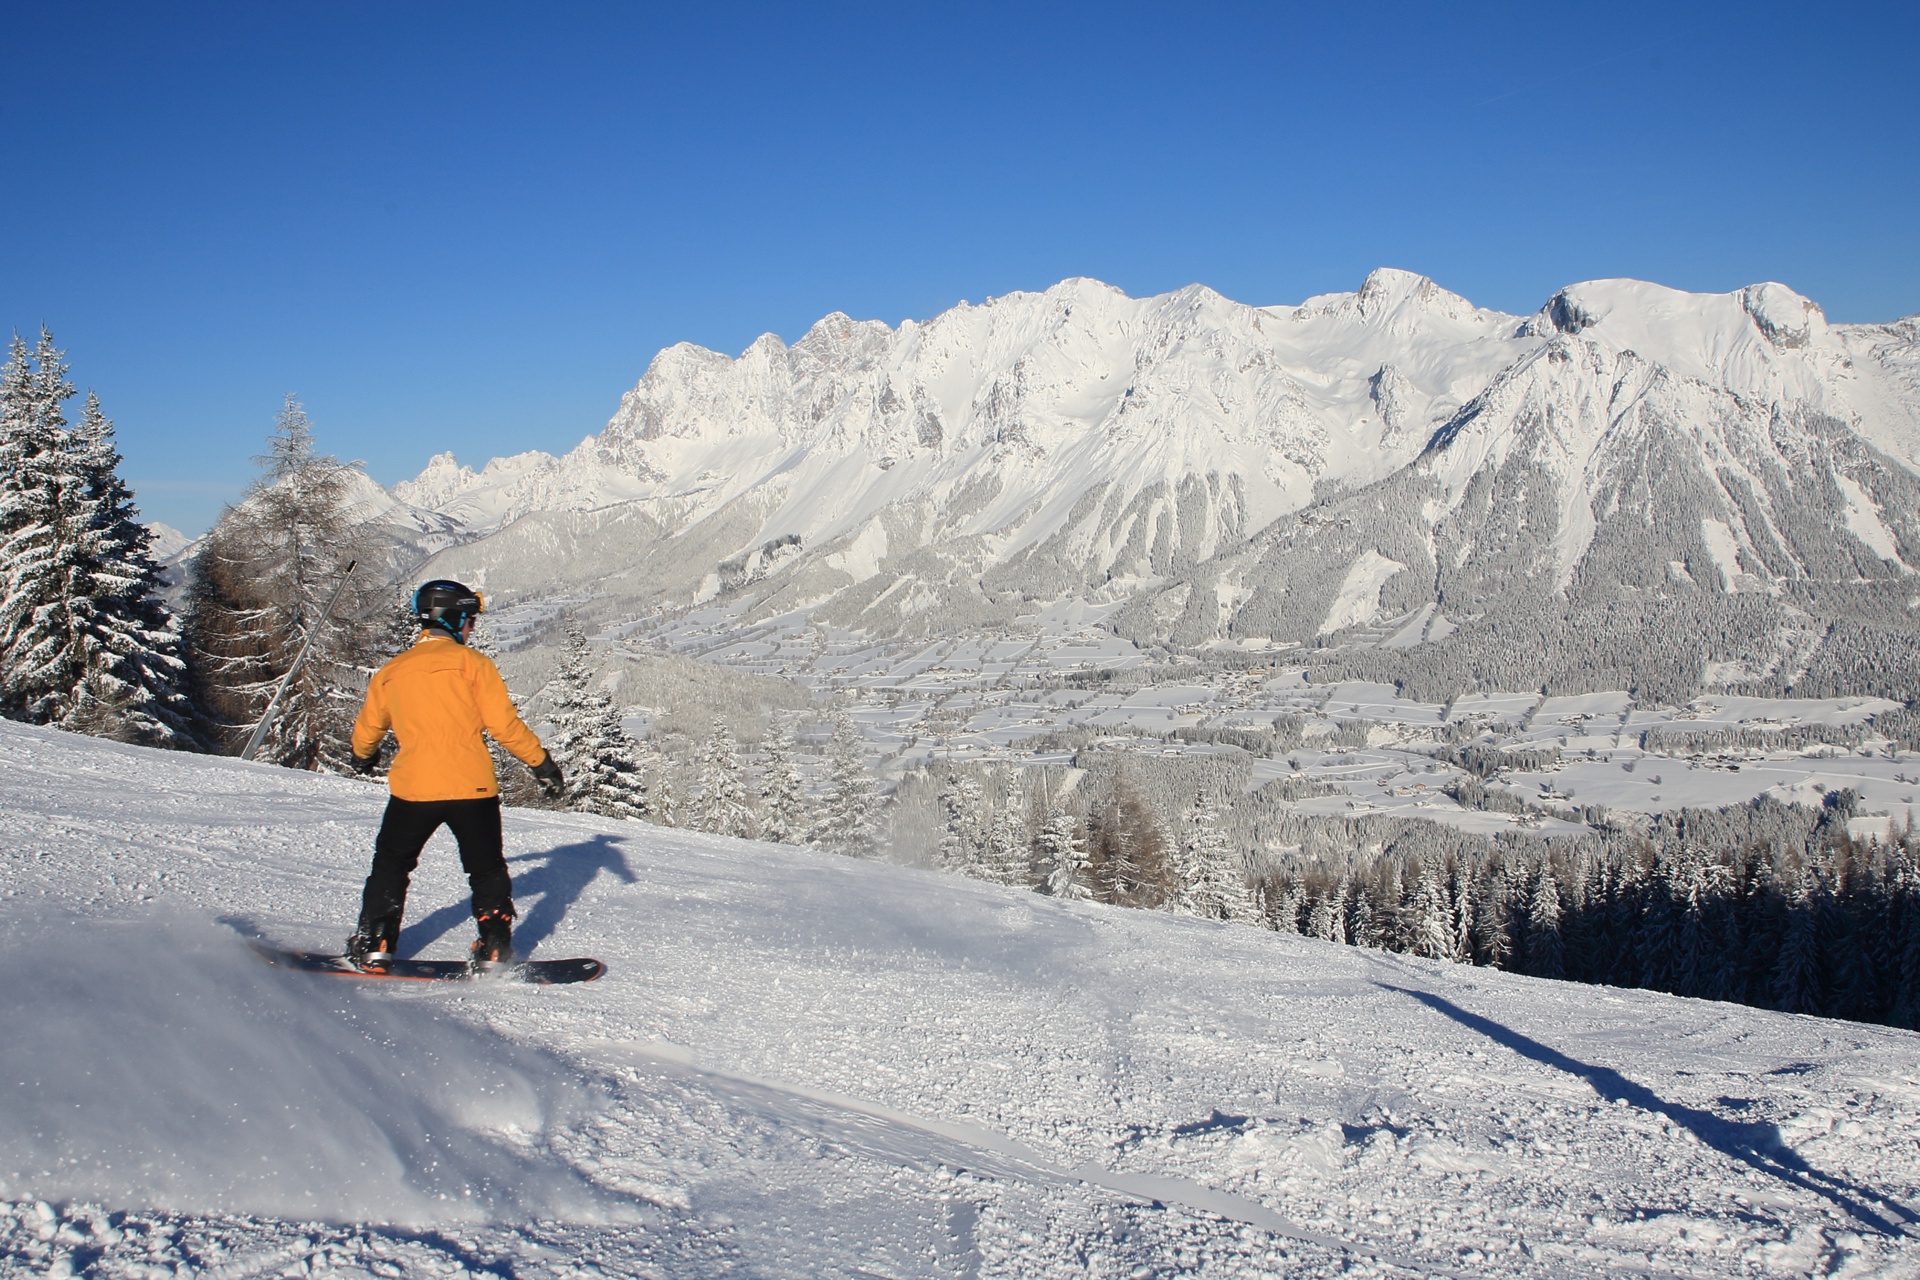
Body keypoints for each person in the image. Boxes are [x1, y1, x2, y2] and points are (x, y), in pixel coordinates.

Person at [344, 579, 565, 972]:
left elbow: (368, 730)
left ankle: (375, 941)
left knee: (392, 865)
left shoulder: (391, 672)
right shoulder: (474, 665)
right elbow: (505, 726)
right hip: (473, 789)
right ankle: (495, 947)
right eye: (470, 621)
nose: (471, 629)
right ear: (453, 618)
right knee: (486, 868)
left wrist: (363, 757)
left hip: (413, 791)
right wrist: (541, 764)